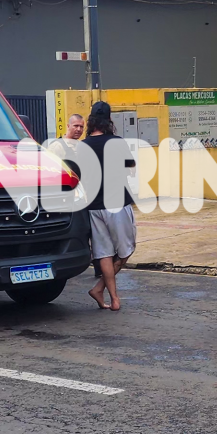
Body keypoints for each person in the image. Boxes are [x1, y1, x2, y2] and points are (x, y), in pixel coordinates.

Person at [82, 101, 136, 310]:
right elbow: (130, 165)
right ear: (109, 121)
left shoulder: (83, 145)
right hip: (116, 203)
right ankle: (101, 289)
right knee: (125, 250)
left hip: (94, 206)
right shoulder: (116, 142)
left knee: (104, 252)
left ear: (91, 121)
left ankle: (112, 298)